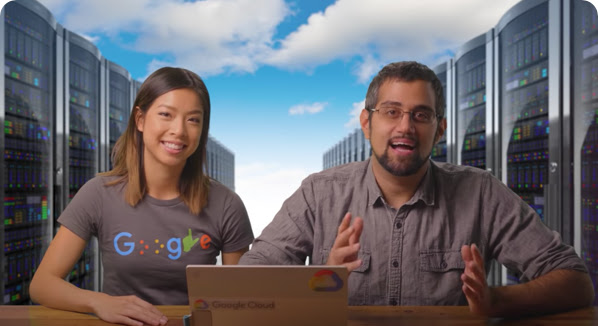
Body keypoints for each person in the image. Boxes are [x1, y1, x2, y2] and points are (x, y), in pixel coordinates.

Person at [239, 61, 594, 317]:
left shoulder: (480, 192)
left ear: (439, 130)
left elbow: (575, 282)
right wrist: (322, 279)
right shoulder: (319, 194)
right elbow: (244, 287)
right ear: (367, 122)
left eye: (421, 115)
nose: (406, 127)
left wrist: (495, 301)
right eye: (391, 112)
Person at [30, 67, 254, 326]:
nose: (179, 130)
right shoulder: (98, 193)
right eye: (166, 115)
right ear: (140, 119)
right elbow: (42, 284)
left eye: (193, 119)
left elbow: (239, 302)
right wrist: (99, 302)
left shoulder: (226, 204)